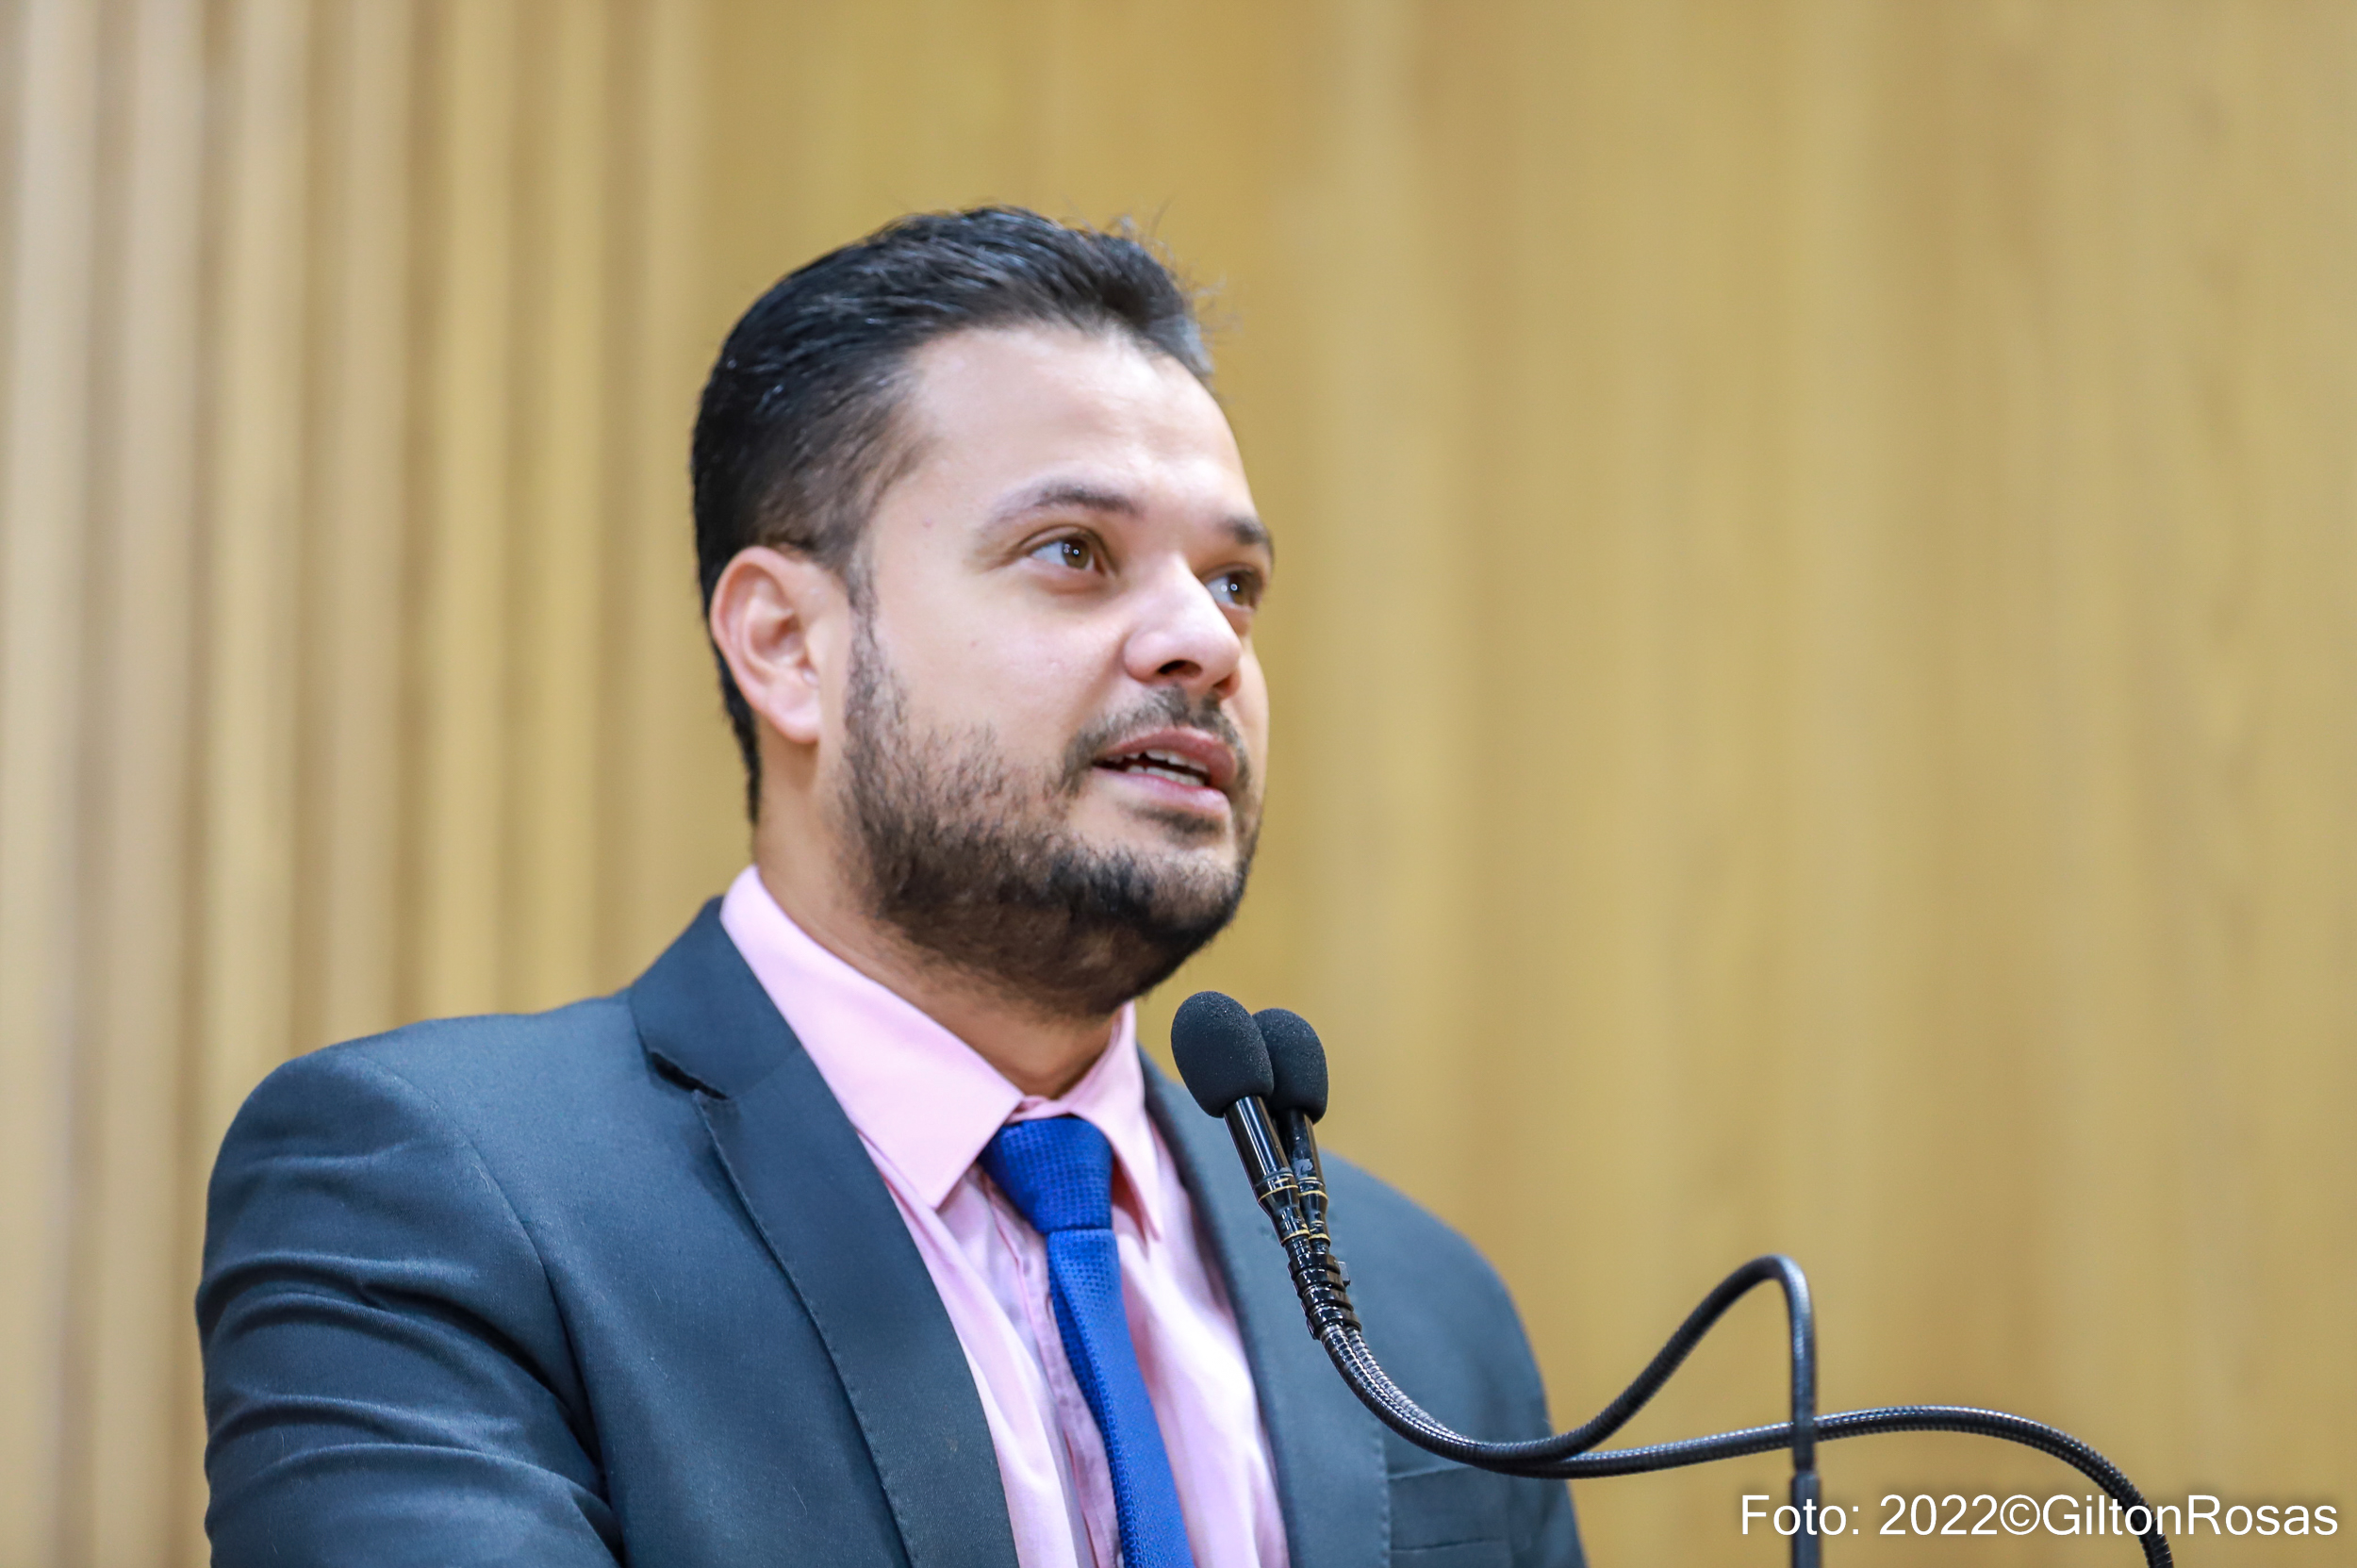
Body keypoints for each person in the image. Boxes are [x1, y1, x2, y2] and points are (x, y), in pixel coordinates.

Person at [198, 208, 1584, 1568]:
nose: (1202, 642)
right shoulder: (440, 1200)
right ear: (786, 644)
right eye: (1074, 552)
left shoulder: (1421, 1311)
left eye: (1234, 584)